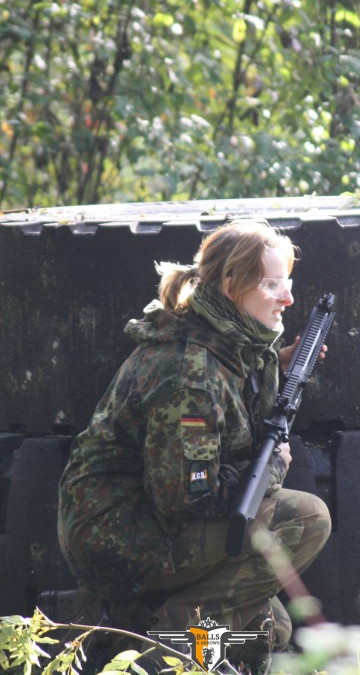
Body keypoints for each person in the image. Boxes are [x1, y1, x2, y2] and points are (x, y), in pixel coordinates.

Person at [57, 221, 332, 671]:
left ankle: (120, 624)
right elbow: (186, 497)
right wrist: (275, 470)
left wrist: (274, 366)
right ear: (230, 285)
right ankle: (161, 645)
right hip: (119, 536)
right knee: (305, 518)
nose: (288, 299)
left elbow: (227, 404)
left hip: (145, 524)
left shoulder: (223, 339)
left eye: (289, 283)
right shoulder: (191, 374)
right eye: (273, 285)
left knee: (270, 631)